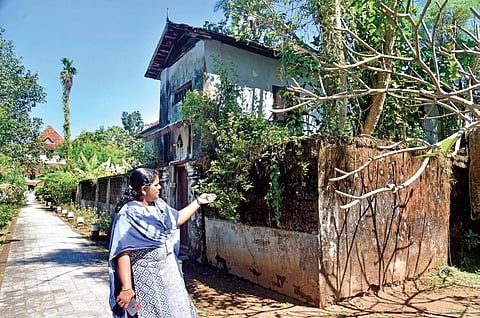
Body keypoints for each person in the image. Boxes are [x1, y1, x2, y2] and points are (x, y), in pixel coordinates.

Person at [108, 167, 217, 318]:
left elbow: (177, 218)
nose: (160, 187)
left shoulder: (159, 205)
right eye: (156, 185)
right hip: (147, 275)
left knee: (179, 309)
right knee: (154, 312)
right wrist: (127, 288)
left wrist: (198, 202)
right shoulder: (128, 214)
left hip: (170, 271)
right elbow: (122, 252)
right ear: (144, 189)